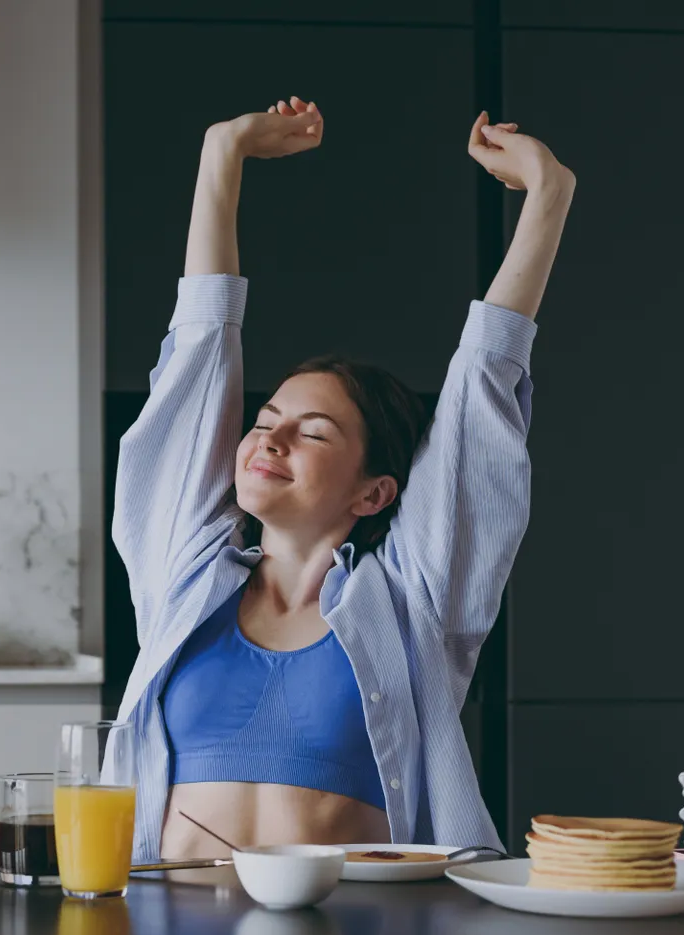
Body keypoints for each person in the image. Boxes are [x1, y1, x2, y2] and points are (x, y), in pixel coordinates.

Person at [112, 96, 574, 862]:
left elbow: (478, 398)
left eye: (314, 431)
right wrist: (219, 158)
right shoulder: (181, 573)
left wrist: (548, 200)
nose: (272, 435)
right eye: (265, 419)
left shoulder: (412, 602)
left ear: (373, 494)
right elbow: (196, 367)